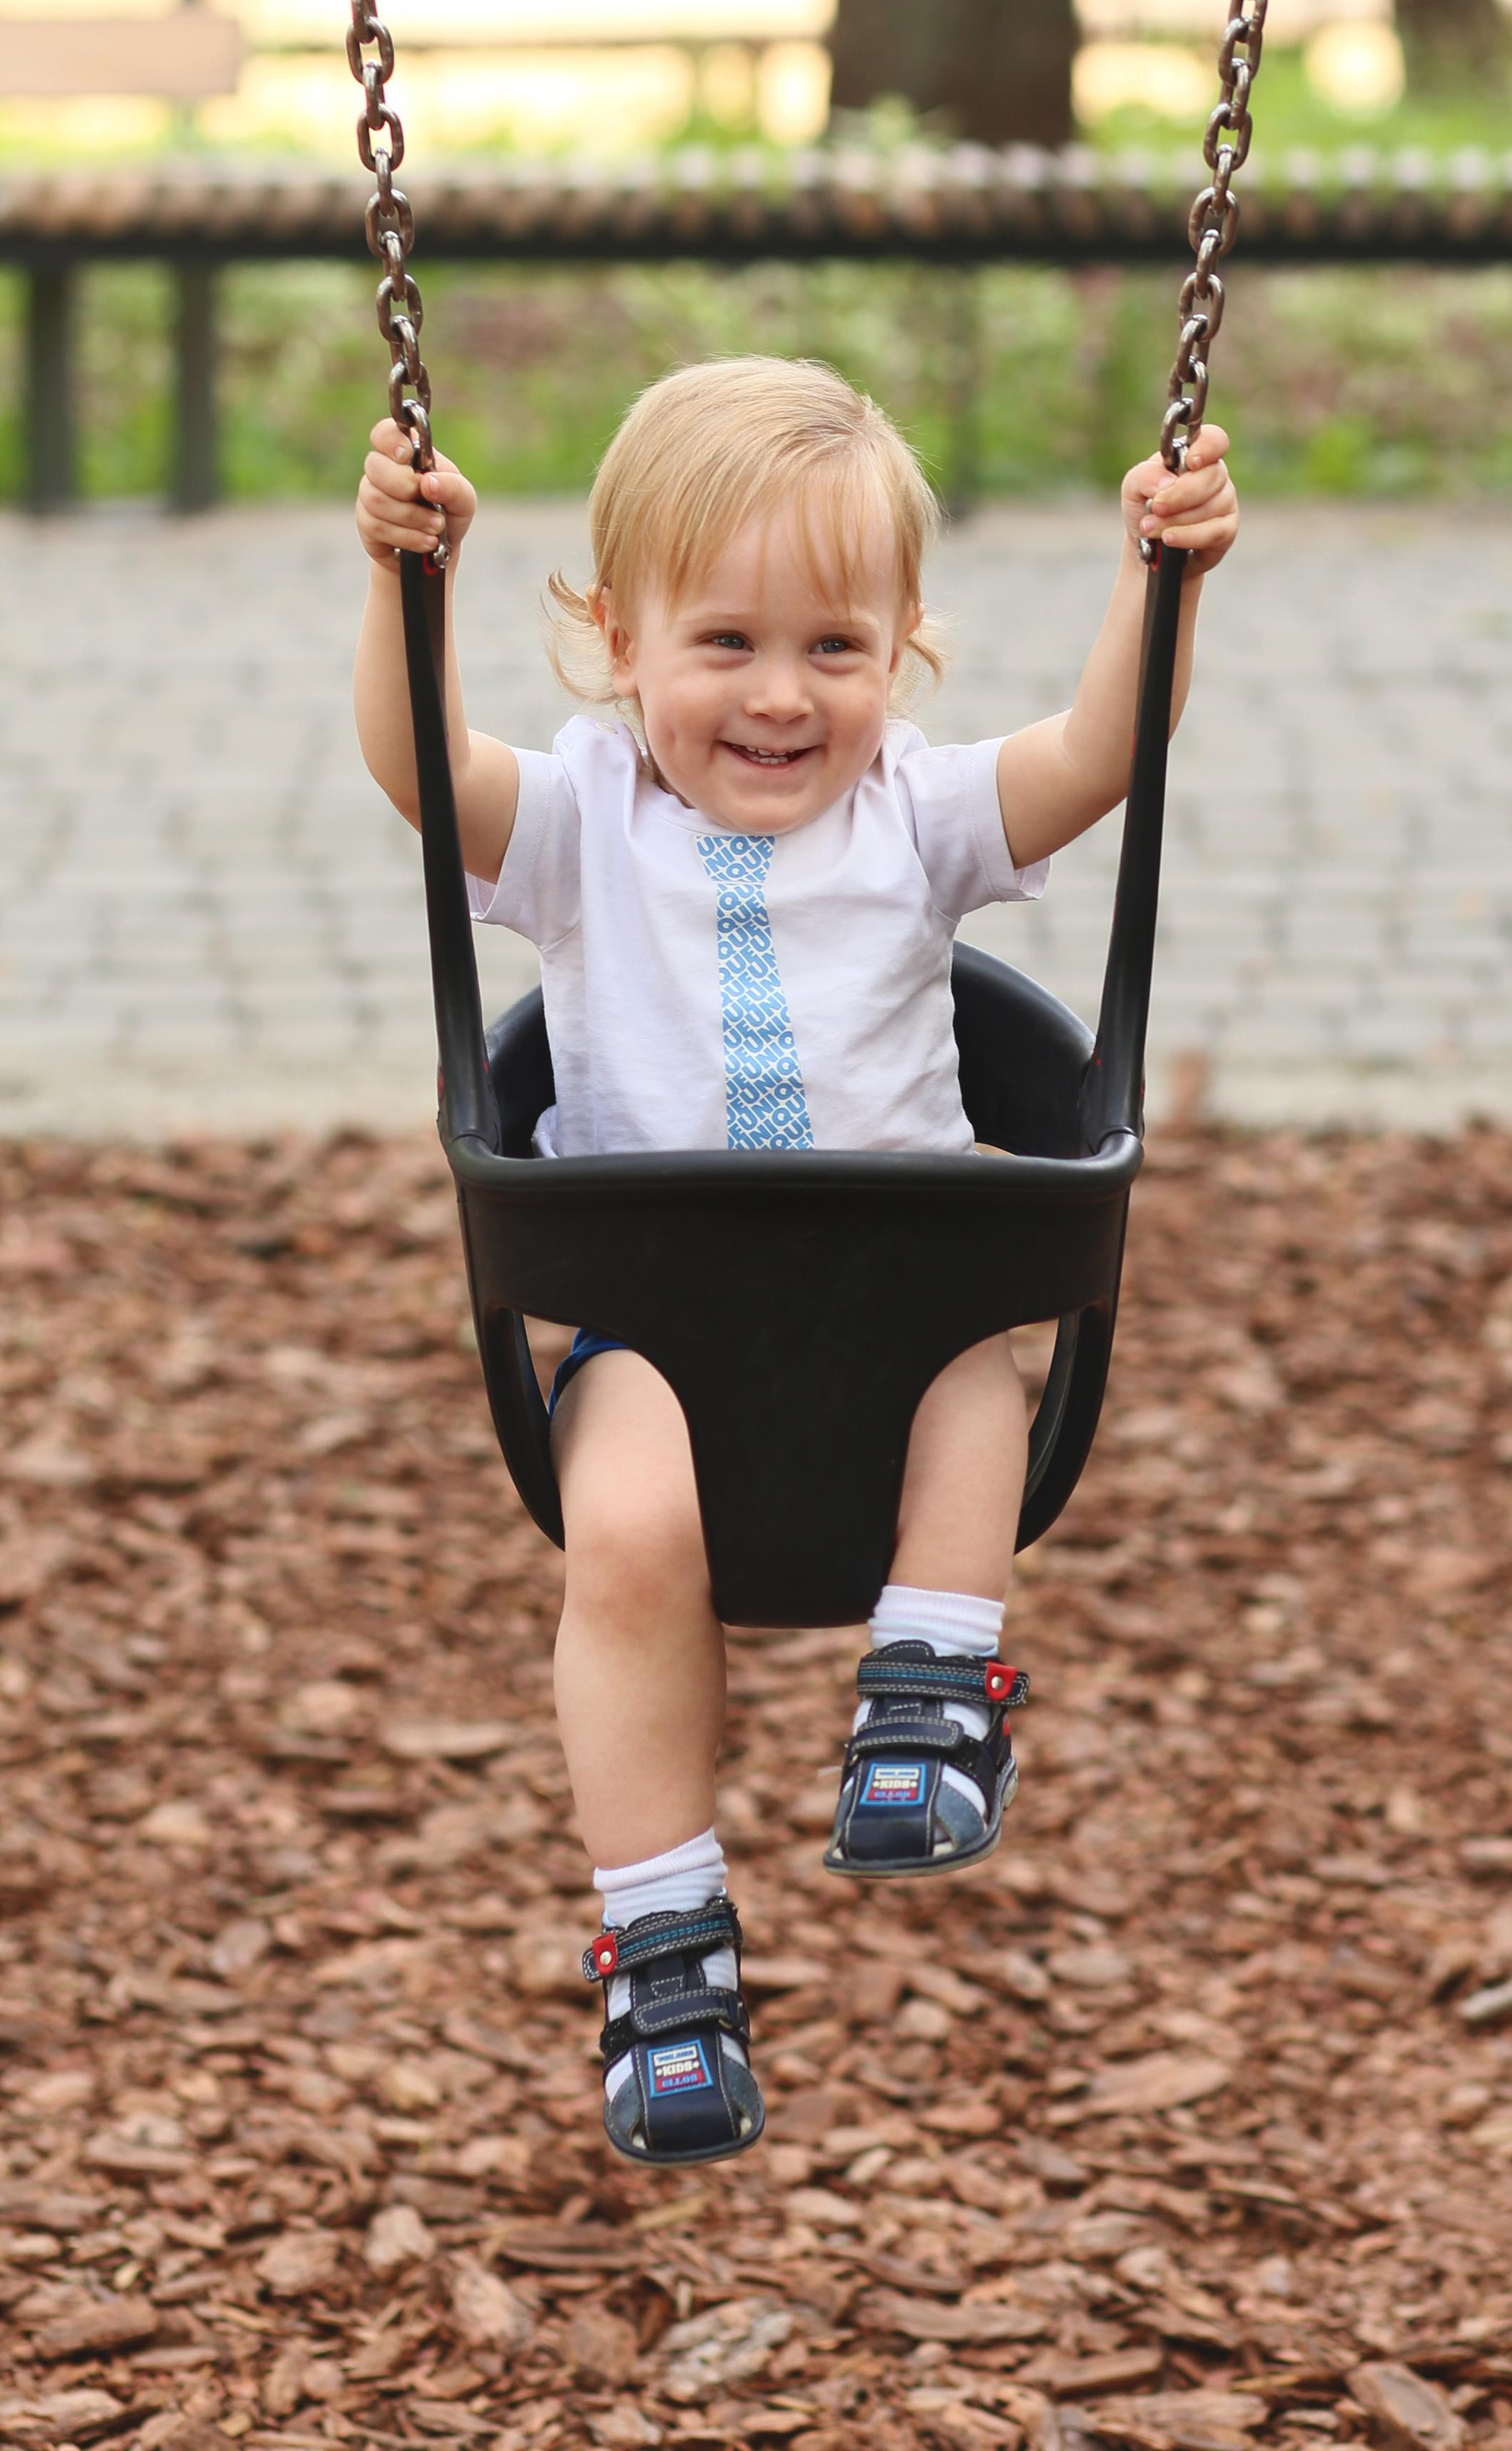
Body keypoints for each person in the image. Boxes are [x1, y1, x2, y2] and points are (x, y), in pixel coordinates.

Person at [353, 355, 1237, 2165]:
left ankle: (928, 1692)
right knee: (624, 1540)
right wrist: (402, 588)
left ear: (903, 651)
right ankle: (663, 1941)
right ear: (614, 642)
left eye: (835, 648)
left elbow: (1094, 760)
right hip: (652, 1346)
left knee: (977, 1390)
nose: (778, 696)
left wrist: (1160, 586)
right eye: (725, 644)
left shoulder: (916, 818)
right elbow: (420, 775)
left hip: (901, 1326)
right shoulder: (582, 823)